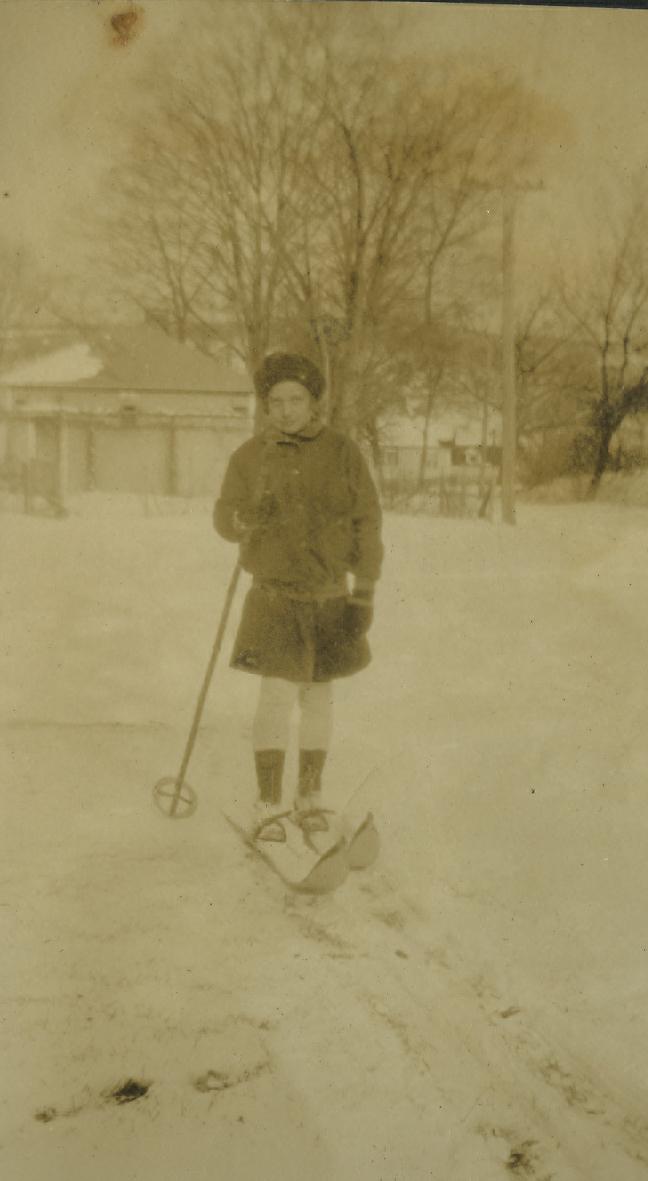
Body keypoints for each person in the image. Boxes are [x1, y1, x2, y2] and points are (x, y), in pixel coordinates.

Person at [213, 352, 383, 842]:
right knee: (276, 696)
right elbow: (224, 516)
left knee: (318, 697)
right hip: (275, 596)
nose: (286, 410)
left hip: (330, 596)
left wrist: (364, 593)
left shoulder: (343, 453)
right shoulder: (250, 456)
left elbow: (367, 523)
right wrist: (243, 519)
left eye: (296, 400)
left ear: (313, 403)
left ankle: (310, 797)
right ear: (265, 406)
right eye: (276, 401)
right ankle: (268, 804)